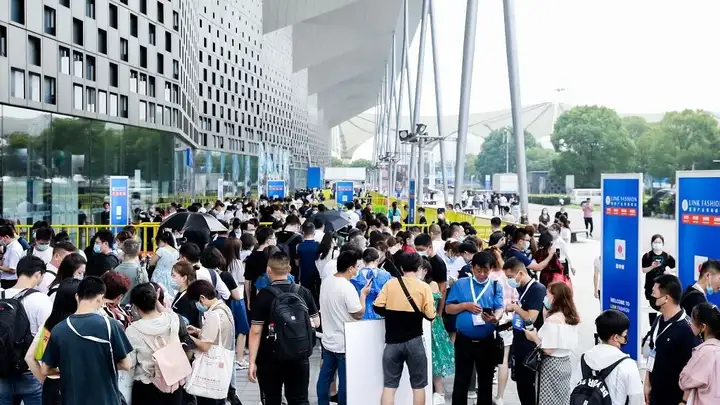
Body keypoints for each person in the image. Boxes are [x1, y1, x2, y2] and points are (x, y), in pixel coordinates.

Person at [40, 276, 133, 405]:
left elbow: (45, 370)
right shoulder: (110, 325)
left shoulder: (59, 329)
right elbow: (126, 364)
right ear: (100, 298)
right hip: (105, 399)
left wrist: (72, 368)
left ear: (77, 296)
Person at [248, 251, 319, 405]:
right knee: (299, 400)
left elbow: (255, 331)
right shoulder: (303, 292)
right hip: (299, 354)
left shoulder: (263, 296)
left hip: (269, 357)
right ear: (289, 269)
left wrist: (252, 362)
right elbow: (317, 322)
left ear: (268, 270)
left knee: (272, 399)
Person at [373, 253, 436, 405]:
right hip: (415, 342)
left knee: (389, 386)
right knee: (418, 386)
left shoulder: (390, 284)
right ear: (419, 267)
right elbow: (430, 315)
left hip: (392, 343)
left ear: (401, 267)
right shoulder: (424, 287)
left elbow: (377, 306)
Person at [445, 252, 504, 405]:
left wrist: (495, 318)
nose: (482, 274)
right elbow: (448, 308)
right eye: (478, 270)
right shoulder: (461, 284)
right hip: (464, 340)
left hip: (486, 341)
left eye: (486, 271)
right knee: (461, 379)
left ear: (491, 269)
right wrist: (465, 306)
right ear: (472, 268)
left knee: (485, 381)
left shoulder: (495, 286)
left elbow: (499, 307)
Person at [316, 251, 370, 405]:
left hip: (328, 340)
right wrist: (363, 295)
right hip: (344, 343)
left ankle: (322, 402)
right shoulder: (347, 287)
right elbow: (358, 313)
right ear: (350, 268)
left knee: (325, 377)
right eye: (356, 267)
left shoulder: (326, 282)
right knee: (345, 381)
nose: (357, 270)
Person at [0, 256, 51, 405]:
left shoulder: (1, 295)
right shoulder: (41, 300)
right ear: (38, 274)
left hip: (3, 369)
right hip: (30, 370)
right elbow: (47, 335)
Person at [124, 283, 186, 405]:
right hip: (174, 381)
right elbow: (168, 313)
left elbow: (130, 363)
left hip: (147, 385)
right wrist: (156, 301)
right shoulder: (173, 319)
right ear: (155, 300)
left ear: (135, 306)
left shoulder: (133, 330)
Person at [644, 274, 700, 405]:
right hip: (656, 393)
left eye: (654, 293)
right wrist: (647, 382)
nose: (651, 296)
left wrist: (684, 400)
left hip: (675, 397)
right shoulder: (658, 320)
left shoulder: (687, 329)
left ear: (666, 298)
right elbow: (653, 352)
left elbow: (693, 368)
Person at [570, 310, 644, 405]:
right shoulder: (627, 364)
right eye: (625, 334)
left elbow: (574, 387)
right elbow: (636, 399)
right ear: (616, 337)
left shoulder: (585, 358)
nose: (626, 337)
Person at [25, 279, 81, 405]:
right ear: (77, 298)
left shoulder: (49, 324)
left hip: (52, 386)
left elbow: (29, 358)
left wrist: (45, 380)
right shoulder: (78, 326)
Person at [523, 282, 579, 405]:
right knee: (562, 399)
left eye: (547, 294)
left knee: (548, 399)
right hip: (565, 363)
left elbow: (548, 349)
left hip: (551, 366)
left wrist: (533, 337)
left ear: (554, 297)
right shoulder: (570, 318)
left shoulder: (553, 320)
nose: (545, 298)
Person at [503, 257, 546, 405]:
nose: (509, 281)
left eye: (510, 277)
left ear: (520, 273)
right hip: (519, 340)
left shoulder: (537, 289)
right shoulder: (521, 288)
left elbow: (531, 317)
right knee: (521, 384)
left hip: (530, 345)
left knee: (528, 386)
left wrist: (515, 308)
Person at [185, 279, 235, 405]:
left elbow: (205, 346)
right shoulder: (224, 308)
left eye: (196, 301)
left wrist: (187, 336)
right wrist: (197, 331)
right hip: (222, 365)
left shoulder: (214, 315)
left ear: (202, 298)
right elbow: (217, 334)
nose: (197, 305)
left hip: (210, 370)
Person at [679, 302, 720, 405]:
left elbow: (684, 381)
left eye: (692, 321)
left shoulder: (704, 353)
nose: (690, 324)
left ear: (703, 327)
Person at [641, 234, 676, 326]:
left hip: (663, 287)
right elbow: (643, 270)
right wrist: (652, 266)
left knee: (663, 305)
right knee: (652, 306)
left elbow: (675, 266)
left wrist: (669, 271)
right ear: (652, 243)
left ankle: (663, 324)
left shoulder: (667, 256)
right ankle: (652, 326)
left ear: (663, 244)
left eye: (659, 242)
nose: (657, 244)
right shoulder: (647, 256)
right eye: (655, 242)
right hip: (650, 287)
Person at [349, 247, 392, 320]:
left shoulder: (355, 276)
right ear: (377, 260)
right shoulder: (385, 275)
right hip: (380, 313)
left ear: (363, 260)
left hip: (361, 313)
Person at [414, 234, 448, 317]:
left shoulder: (438, 263)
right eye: (417, 249)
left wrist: (439, 312)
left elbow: (443, 289)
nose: (419, 252)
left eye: (421, 249)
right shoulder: (419, 260)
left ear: (430, 247)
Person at [112, 239, 149, 307]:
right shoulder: (141, 271)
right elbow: (147, 291)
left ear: (123, 251)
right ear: (137, 253)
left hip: (117, 308)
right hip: (135, 308)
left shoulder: (115, 270)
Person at [296, 222, 321, 305]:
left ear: (303, 232)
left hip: (304, 274)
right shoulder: (318, 245)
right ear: (314, 232)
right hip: (317, 273)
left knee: (306, 295)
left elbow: (297, 263)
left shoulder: (299, 246)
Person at [149, 232, 180, 300]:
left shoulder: (161, 250)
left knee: (157, 293)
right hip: (171, 275)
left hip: (159, 275)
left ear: (160, 241)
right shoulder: (176, 252)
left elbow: (151, 263)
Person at [170, 261, 201, 328]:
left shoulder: (187, 299)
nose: (171, 278)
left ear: (184, 278)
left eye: (173, 275)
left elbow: (182, 325)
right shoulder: (181, 293)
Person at [0, 224, 24, 289]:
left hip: (10, 282)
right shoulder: (10, 246)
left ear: (7, 237)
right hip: (7, 280)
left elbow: (13, 270)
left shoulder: (14, 249)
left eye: (0, 238)